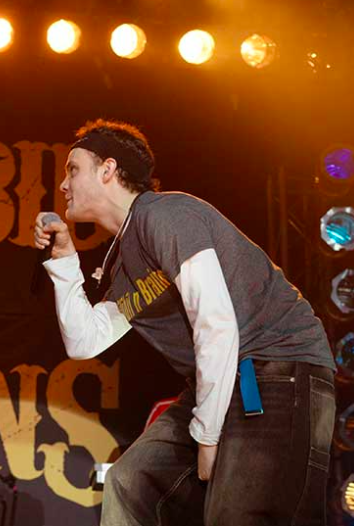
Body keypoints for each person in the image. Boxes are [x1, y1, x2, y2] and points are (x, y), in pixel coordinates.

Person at [33, 119, 337, 526]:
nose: (63, 185)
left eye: (73, 170)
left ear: (108, 169)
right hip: (219, 382)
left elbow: (216, 323)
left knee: (237, 514)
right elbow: (84, 340)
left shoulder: (166, 214)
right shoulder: (124, 262)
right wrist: (65, 261)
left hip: (274, 370)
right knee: (129, 483)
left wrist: (206, 437)